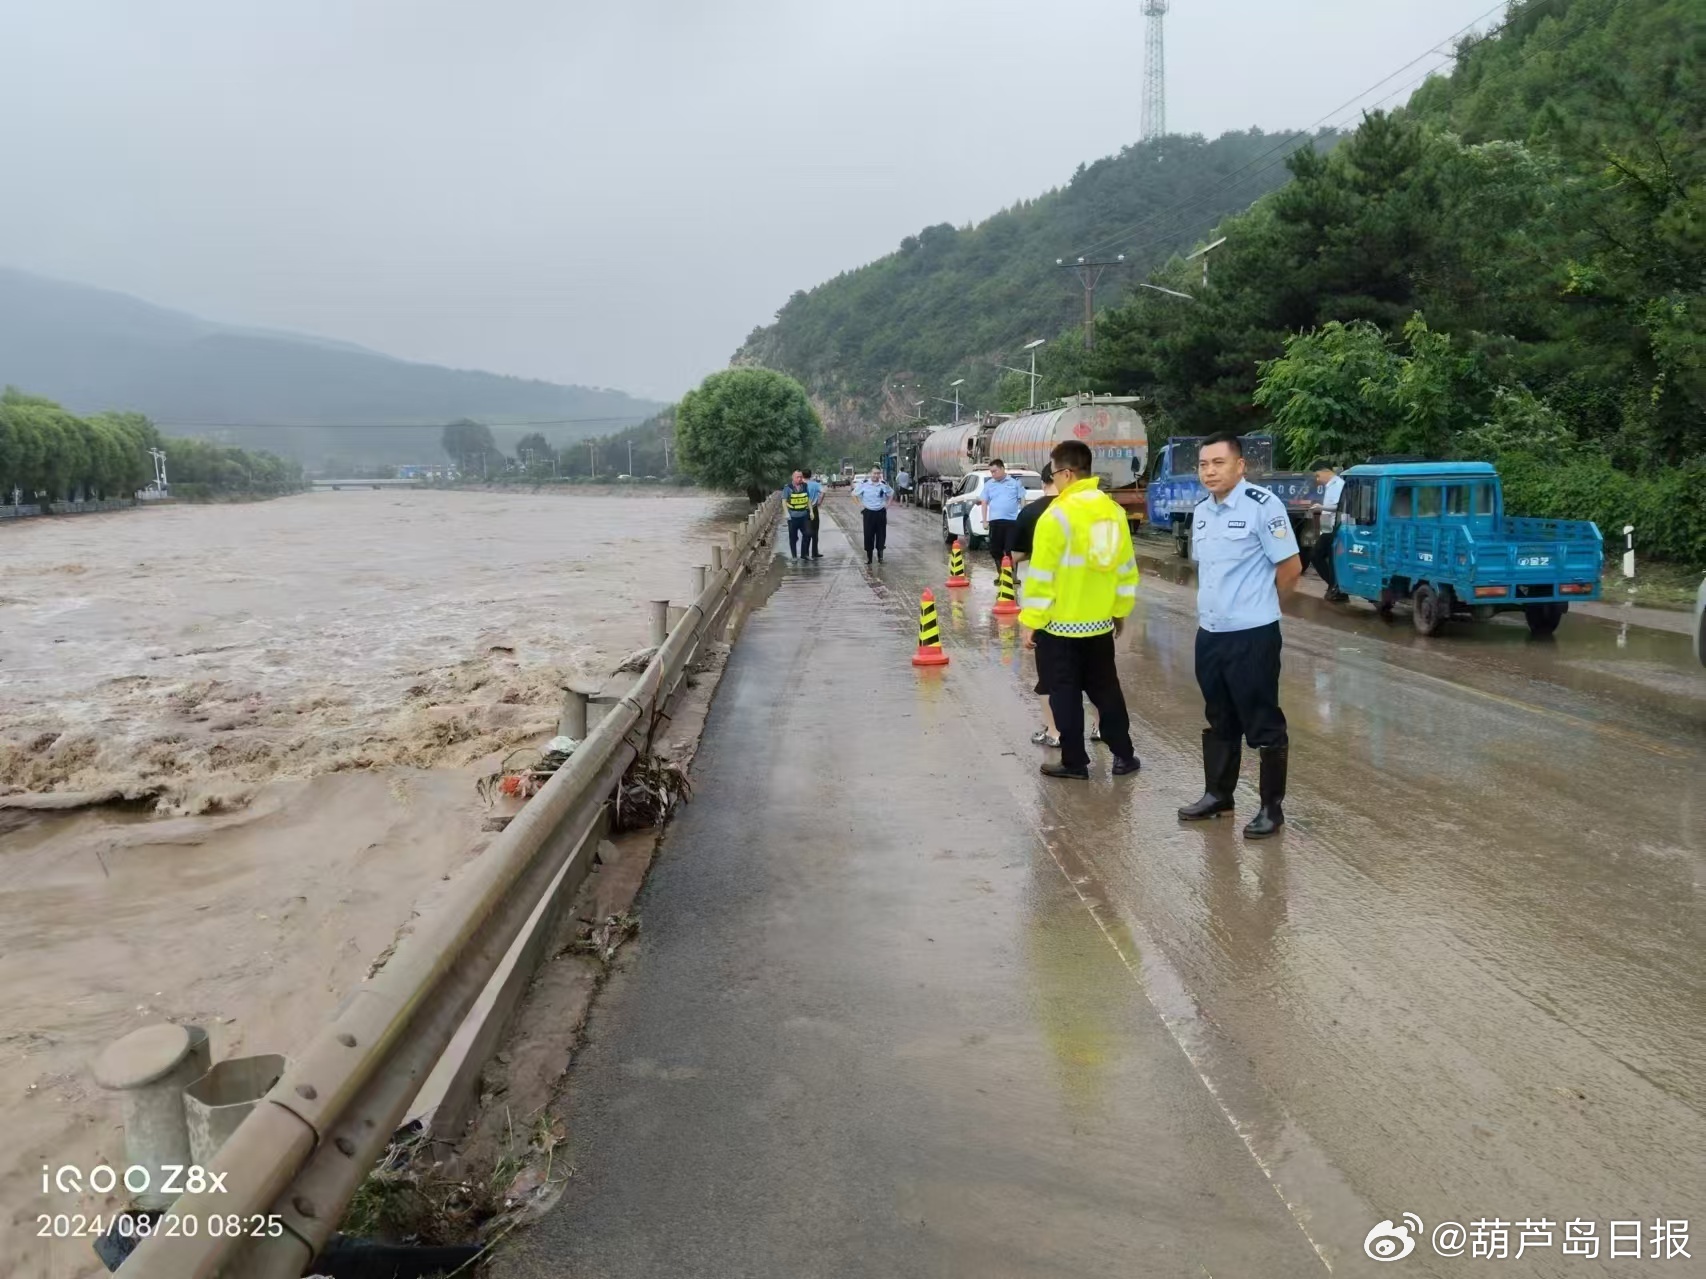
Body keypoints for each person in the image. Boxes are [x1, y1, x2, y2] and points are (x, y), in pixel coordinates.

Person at [1177, 431, 1303, 839]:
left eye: (1218, 463)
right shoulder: (1201, 512)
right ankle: (1219, 796)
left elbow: (1291, 568)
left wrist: (1263, 607)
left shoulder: (1263, 508)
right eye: (1203, 464)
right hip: (1210, 633)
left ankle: (1271, 809)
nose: (1209, 472)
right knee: (1219, 717)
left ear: (1240, 465)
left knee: (1262, 720)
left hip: (1253, 634)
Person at [1017, 439, 1142, 781]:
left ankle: (1075, 763)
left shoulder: (1056, 515)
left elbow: (1042, 578)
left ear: (1068, 473)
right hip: (1099, 626)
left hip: (1060, 628)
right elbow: (1125, 570)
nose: (1054, 480)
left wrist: (1031, 622)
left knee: (1065, 695)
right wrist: (1118, 611)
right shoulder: (1114, 512)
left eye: (1055, 473)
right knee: (1106, 691)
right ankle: (1124, 756)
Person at [1014, 465, 1100, 749]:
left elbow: (1015, 556)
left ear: (1045, 481)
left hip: (1053, 615)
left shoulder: (1034, 514)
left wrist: (1031, 622)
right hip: (1093, 611)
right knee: (1097, 678)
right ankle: (1102, 730)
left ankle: (1055, 732)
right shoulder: (1100, 508)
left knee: (1052, 679)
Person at [979, 459, 1026, 571]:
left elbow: (1022, 500)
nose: (993, 474)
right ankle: (1001, 573)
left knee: (1010, 549)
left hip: (1012, 522)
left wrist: (1022, 516)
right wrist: (985, 521)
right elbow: (984, 502)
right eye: (991, 472)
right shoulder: (989, 484)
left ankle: (1012, 574)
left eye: (995, 471)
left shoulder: (1015, 483)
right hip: (995, 522)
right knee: (995, 549)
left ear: (1002, 468)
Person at [1310, 467, 1348, 601]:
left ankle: (1335, 586)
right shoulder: (1330, 486)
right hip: (1327, 529)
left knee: (1317, 555)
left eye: (1318, 476)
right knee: (1329, 559)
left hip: (1334, 528)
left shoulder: (1338, 485)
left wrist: (1321, 507)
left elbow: (1339, 507)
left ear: (1325, 472)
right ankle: (1336, 588)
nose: (1317, 480)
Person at [853, 467, 893, 564]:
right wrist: (860, 506)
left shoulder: (883, 485)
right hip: (868, 513)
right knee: (868, 535)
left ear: (880, 474)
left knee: (881, 535)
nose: (876, 475)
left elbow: (891, 493)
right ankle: (869, 558)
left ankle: (880, 557)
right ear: (871, 473)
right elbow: (854, 494)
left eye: (878, 473)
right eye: (874, 473)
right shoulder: (864, 484)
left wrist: (887, 505)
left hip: (880, 512)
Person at [783, 470, 812, 559]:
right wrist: (786, 513)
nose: (800, 479)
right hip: (792, 517)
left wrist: (811, 511)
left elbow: (808, 499)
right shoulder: (788, 488)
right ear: (793, 478)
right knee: (793, 538)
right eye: (797, 477)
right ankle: (794, 556)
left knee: (807, 534)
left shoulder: (804, 486)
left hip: (804, 516)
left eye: (801, 477)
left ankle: (804, 554)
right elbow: (784, 501)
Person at [801, 468, 825, 559]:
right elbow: (823, 492)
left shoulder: (800, 485)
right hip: (814, 509)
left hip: (803, 510)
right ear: (810, 475)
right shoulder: (815, 484)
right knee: (815, 531)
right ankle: (815, 552)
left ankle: (805, 553)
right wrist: (819, 501)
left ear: (802, 476)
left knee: (806, 532)